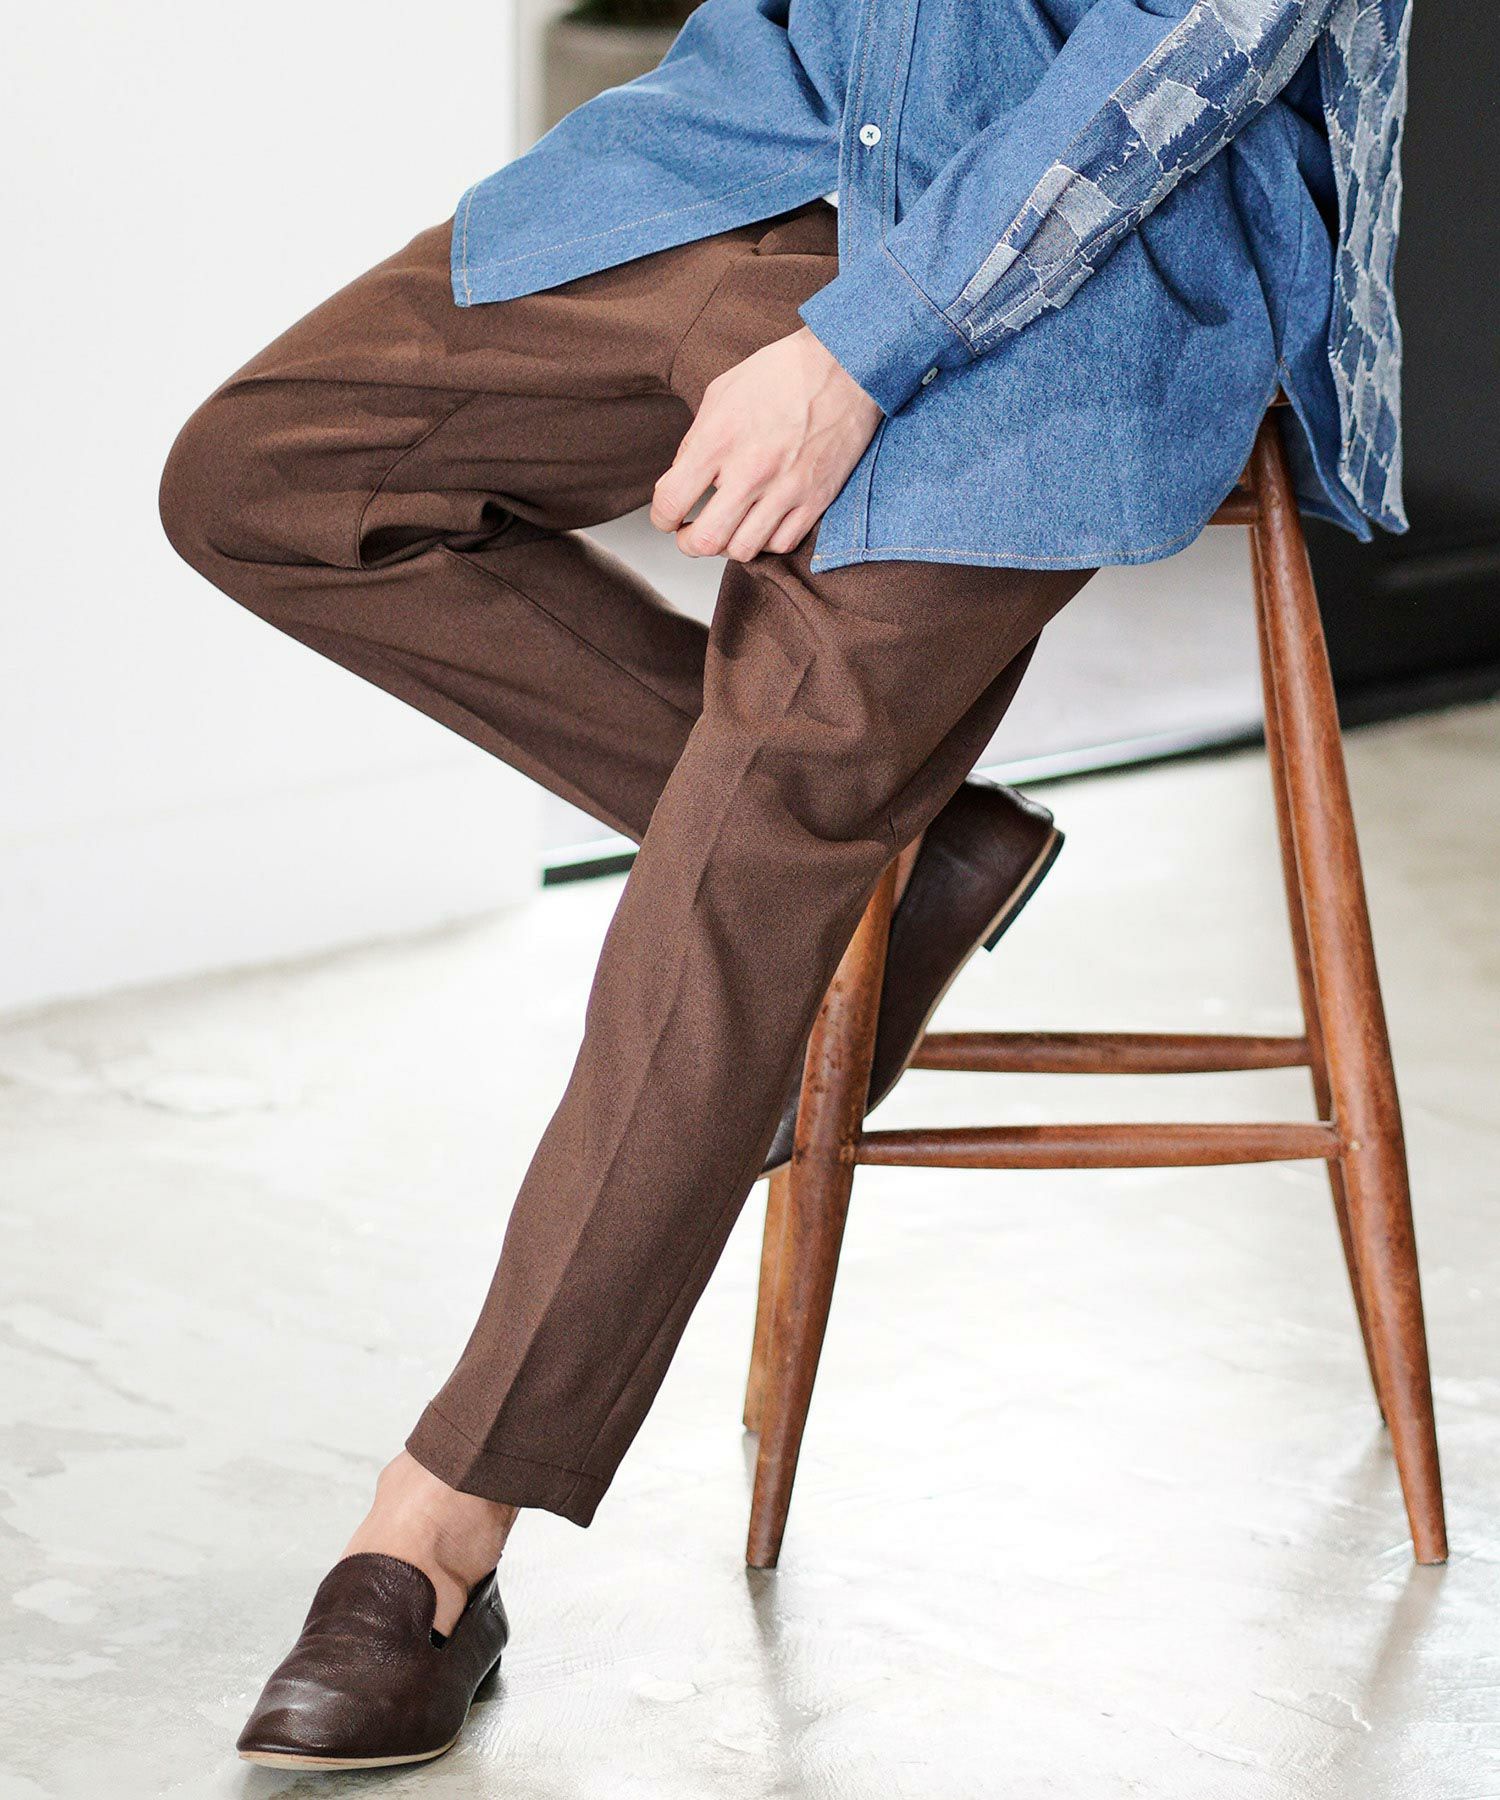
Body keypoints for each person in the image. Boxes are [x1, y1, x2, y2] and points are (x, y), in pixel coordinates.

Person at [158, 0, 1411, 1771]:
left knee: (752, 845)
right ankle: (912, 853)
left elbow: (1192, 46)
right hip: (739, 161)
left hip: (1070, 267)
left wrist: (862, 352)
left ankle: (435, 1536)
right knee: (270, 477)